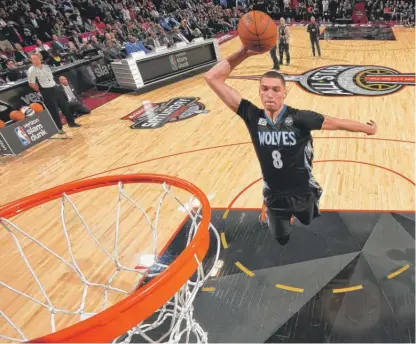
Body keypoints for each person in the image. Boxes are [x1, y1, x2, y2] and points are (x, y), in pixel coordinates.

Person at [204, 47, 377, 245]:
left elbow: (339, 123)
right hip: (274, 195)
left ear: (284, 92)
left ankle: (299, 212)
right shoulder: (252, 116)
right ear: (259, 92)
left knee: (307, 219)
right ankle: (272, 212)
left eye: (276, 89)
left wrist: (367, 129)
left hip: (303, 190)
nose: (270, 94)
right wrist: (243, 52)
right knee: (282, 238)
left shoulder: (300, 118)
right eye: (264, 89)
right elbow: (212, 78)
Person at [27, 54, 80, 133]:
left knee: (64, 106)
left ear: (40, 58)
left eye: (36, 58)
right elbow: (31, 83)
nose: (35, 60)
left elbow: (51, 78)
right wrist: (40, 91)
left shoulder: (46, 66)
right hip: (46, 91)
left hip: (55, 88)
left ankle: (71, 123)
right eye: (33, 59)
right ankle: (59, 128)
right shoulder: (31, 70)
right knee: (53, 110)